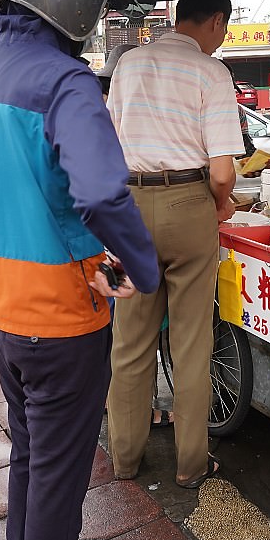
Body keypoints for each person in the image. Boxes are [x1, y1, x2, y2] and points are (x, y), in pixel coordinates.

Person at [0, 0, 160, 540]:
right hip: (58, 321)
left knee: (30, 457)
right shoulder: (66, 82)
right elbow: (100, 195)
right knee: (59, 482)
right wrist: (144, 268)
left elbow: (22, 192)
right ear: (74, 3)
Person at [106, 0, 242, 489]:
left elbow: (111, 143)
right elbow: (224, 173)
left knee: (131, 340)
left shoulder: (128, 65)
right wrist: (221, 203)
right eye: (224, 29)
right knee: (190, 342)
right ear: (215, 22)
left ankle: (124, 459)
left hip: (132, 207)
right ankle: (190, 465)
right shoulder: (212, 72)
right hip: (190, 205)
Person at [98, 43, 174, 430]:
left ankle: (128, 407)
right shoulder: (111, 114)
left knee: (124, 333)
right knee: (126, 333)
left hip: (114, 231)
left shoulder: (112, 110)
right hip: (115, 235)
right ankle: (132, 409)